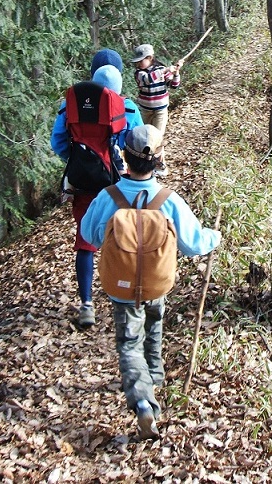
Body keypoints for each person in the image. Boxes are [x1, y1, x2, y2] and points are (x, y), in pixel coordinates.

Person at [81, 125, 221, 440]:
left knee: (130, 342)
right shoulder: (168, 200)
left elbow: (89, 236)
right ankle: (153, 378)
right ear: (158, 160)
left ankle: (143, 398)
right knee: (154, 323)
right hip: (158, 283)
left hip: (121, 284)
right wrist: (215, 236)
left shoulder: (108, 197)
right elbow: (194, 244)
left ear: (123, 158)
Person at [50, 50, 142, 328]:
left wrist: (81, 162)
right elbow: (138, 144)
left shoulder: (71, 108)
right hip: (119, 183)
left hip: (84, 185)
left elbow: (58, 143)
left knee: (86, 241)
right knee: (125, 237)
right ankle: (126, 297)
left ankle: (87, 304)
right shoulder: (128, 108)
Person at [130, 43, 182, 175]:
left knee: (157, 138)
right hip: (145, 110)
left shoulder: (161, 69)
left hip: (160, 111)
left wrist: (176, 73)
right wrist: (166, 70)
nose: (139, 64)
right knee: (144, 139)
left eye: (141, 61)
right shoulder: (139, 73)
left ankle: (160, 164)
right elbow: (148, 79)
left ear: (150, 57)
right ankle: (145, 166)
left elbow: (173, 85)